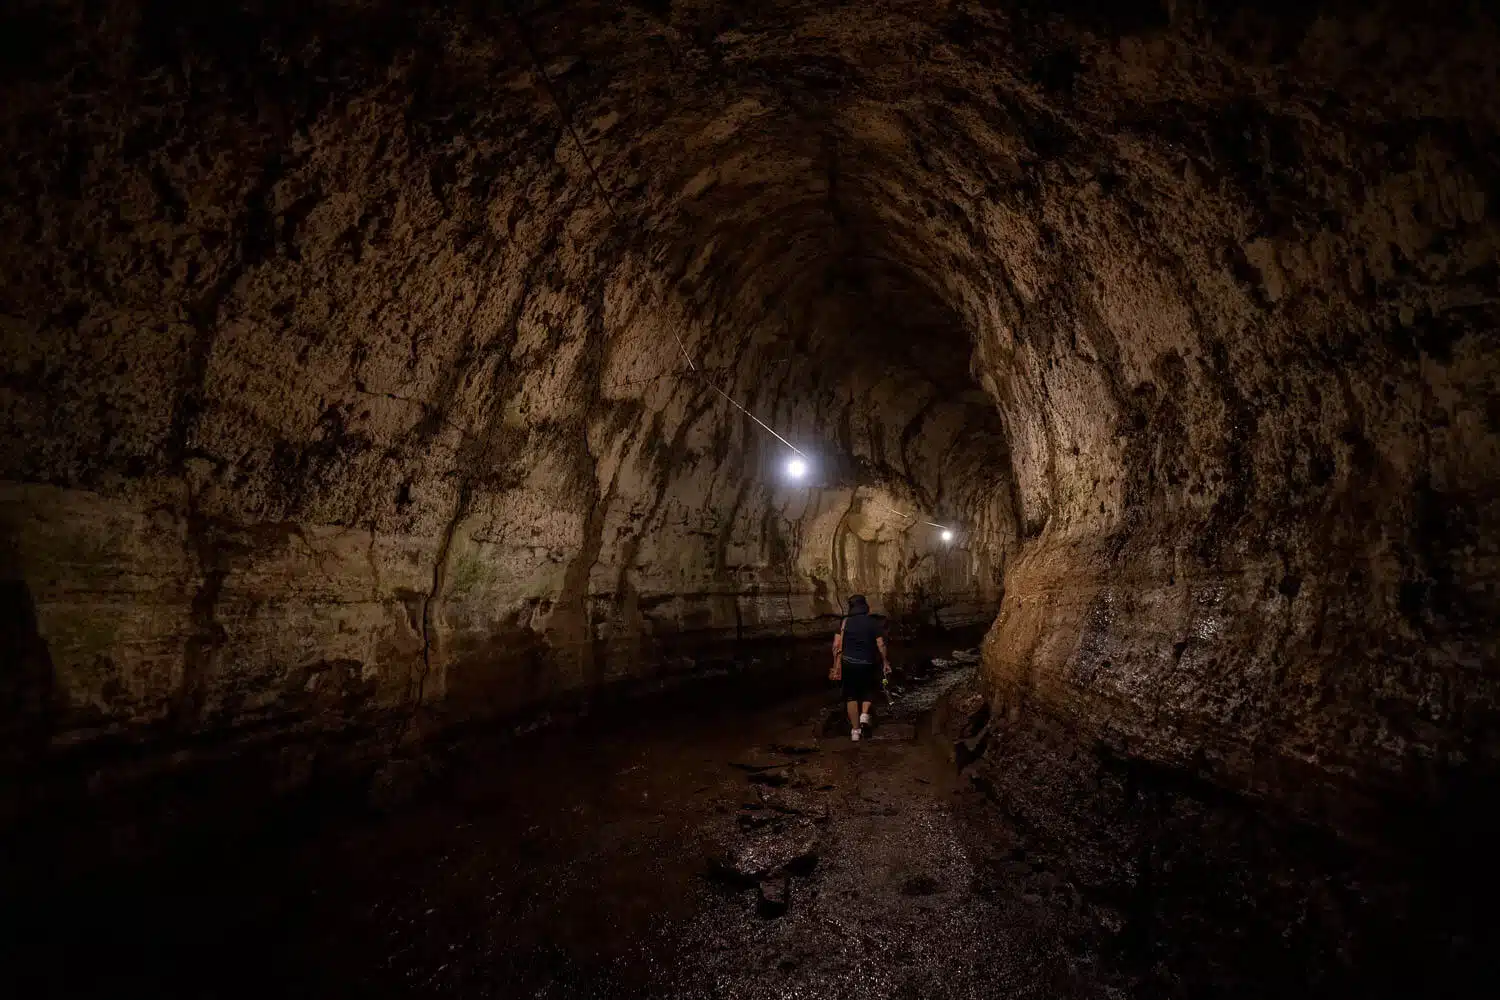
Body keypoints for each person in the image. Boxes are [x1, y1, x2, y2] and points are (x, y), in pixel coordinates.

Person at [829, 594, 891, 741]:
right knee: (868, 691)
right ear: (865, 606)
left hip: (848, 663)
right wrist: (885, 661)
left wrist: (835, 664)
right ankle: (864, 714)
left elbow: (836, 646)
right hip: (867, 663)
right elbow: (880, 644)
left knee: (851, 697)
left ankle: (855, 731)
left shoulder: (844, 623)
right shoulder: (872, 623)